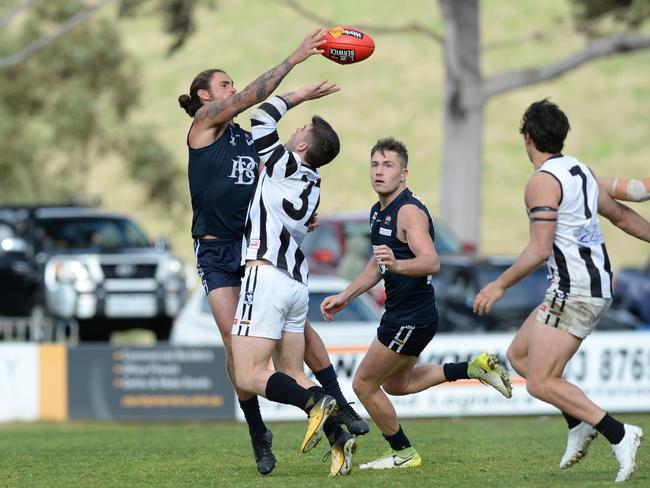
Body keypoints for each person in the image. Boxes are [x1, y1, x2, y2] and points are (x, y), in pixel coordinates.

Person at [177, 31, 367, 477]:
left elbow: (281, 186)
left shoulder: (247, 140)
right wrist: (296, 60)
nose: (232, 90)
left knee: (292, 335)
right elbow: (252, 99)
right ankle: (259, 433)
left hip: (255, 250)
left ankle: (336, 406)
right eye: (225, 85)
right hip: (217, 253)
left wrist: (301, 218)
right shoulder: (205, 123)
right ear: (205, 95)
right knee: (237, 347)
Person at [473, 99, 650, 483]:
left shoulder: (541, 181)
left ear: (528, 138)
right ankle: (578, 422)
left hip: (575, 289)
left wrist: (498, 284)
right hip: (589, 284)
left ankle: (620, 434)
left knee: (539, 382)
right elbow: (620, 214)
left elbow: (539, 249)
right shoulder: (581, 171)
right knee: (518, 354)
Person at [320, 137, 512, 470]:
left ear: (403, 174)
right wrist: (345, 295)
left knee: (363, 384)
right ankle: (472, 368)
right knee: (397, 384)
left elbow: (431, 261)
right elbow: (378, 263)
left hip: (411, 316)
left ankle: (404, 452)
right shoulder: (378, 210)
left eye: (388, 165)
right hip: (404, 314)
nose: (380, 171)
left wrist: (396, 265)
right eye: (375, 164)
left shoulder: (407, 212)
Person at [230, 85, 357, 477]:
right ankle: (340, 439)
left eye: (301, 128)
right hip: (296, 285)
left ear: (302, 147)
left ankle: (314, 405)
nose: (295, 129)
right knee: (294, 375)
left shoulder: (286, 164)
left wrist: (300, 95)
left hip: (265, 274)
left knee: (248, 374)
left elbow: (260, 119)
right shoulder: (313, 183)